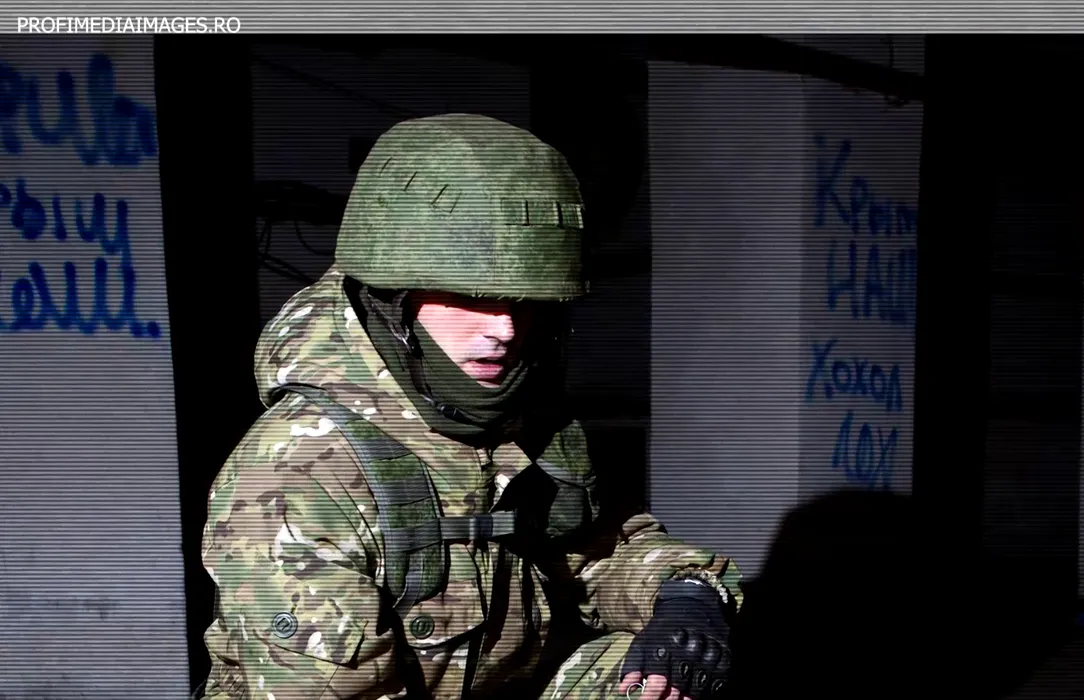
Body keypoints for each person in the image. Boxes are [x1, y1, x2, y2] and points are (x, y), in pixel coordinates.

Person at [196, 113, 743, 700]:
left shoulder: (522, 417)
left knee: (656, 678)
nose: (504, 329)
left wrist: (684, 596)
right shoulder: (298, 469)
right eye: (470, 297)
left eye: (526, 301)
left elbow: (595, 554)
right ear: (393, 297)